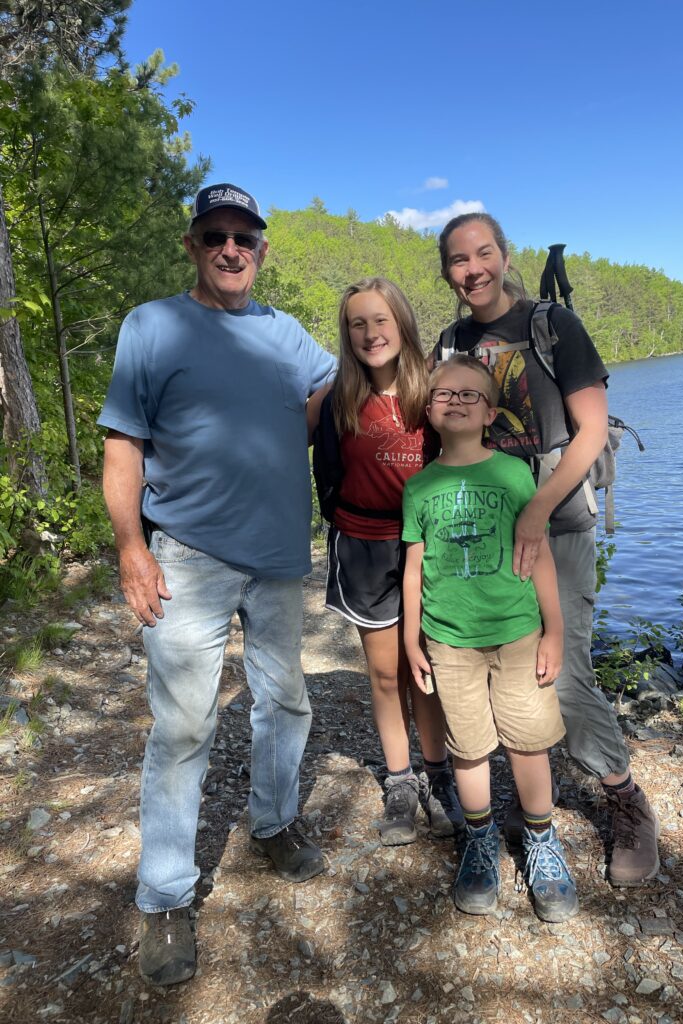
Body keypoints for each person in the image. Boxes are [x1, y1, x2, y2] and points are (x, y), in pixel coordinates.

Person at [98, 182, 336, 987]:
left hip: (275, 559)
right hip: (187, 558)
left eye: (245, 237)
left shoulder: (287, 333)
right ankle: (165, 898)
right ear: (194, 247)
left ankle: (272, 824)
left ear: (262, 250)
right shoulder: (153, 325)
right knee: (183, 730)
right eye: (215, 236)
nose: (231, 248)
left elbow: (337, 397)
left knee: (287, 701)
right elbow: (123, 446)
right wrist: (133, 547)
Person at [432, 212, 660, 887]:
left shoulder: (551, 326)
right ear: (446, 271)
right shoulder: (449, 343)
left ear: (504, 256)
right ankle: (535, 802)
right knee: (500, 665)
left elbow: (589, 431)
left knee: (560, 669)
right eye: (457, 259)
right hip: (482, 533)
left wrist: (534, 509)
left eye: (483, 254)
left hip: (556, 522)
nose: (472, 269)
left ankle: (625, 798)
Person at [402, 354, 578, 921]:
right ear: (428, 411)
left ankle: (541, 841)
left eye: (469, 395)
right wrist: (411, 641)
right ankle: (478, 841)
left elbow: (540, 554)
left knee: (529, 742)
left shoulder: (513, 475)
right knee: (469, 746)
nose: (455, 400)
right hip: (449, 641)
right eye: (444, 394)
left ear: (490, 414)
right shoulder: (419, 487)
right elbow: (412, 567)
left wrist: (555, 630)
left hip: (518, 635)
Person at [314, 277, 462, 845]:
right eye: (357, 323)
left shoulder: (435, 391)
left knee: (425, 669)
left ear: (401, 322)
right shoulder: (336, 399)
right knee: (384, 672)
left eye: (380, 320)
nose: (371, 333)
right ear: (346, 334)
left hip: (430, 548)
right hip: (364, 545)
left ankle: (437, 775)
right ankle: (399, 781)